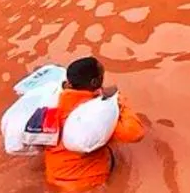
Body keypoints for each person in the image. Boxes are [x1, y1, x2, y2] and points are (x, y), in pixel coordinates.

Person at [44, 57, 145, 190]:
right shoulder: (98, 114)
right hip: (87, 183)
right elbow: (135, 133)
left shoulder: (51, 101)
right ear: (95, 82)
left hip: (53, 176)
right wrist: (118, 101)